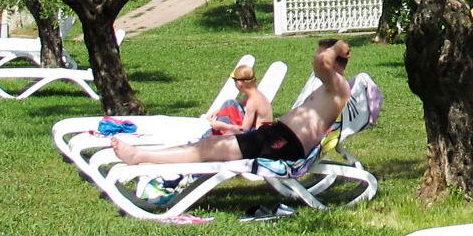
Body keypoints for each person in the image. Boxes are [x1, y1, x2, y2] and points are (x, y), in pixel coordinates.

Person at [114, 38, 352, 168]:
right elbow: (322, 63)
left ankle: (139, 156)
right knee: (210, 144)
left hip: (282, 144)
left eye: (319, 53)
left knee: (209, 149)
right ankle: (145, 154)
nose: (314, 59)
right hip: (275, 137)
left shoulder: (338, 87)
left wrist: (337, 46)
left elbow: (322, 63)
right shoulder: (329, 88)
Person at [204, 58, 272, 132]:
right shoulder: (253, 93)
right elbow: (238, 104)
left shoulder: (252, 102)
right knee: (230, 102)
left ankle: (215, 133)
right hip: (256, 130)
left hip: (256, 135)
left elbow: (244, 129)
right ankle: (216, 131)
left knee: (214, 132)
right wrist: (219, 111)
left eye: (234, 81)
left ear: (239, 83)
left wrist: (222, 126)